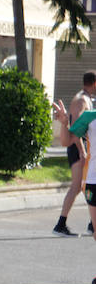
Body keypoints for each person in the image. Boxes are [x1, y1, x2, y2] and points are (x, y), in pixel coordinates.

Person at [52, 71, 96, 237]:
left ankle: (91, 224)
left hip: (83, 147)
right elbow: (75, 126)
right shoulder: (82, 100)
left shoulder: (85, 99)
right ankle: (61, 223)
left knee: (82, 185)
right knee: (78, 185)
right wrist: (82, 150)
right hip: (78, 148)